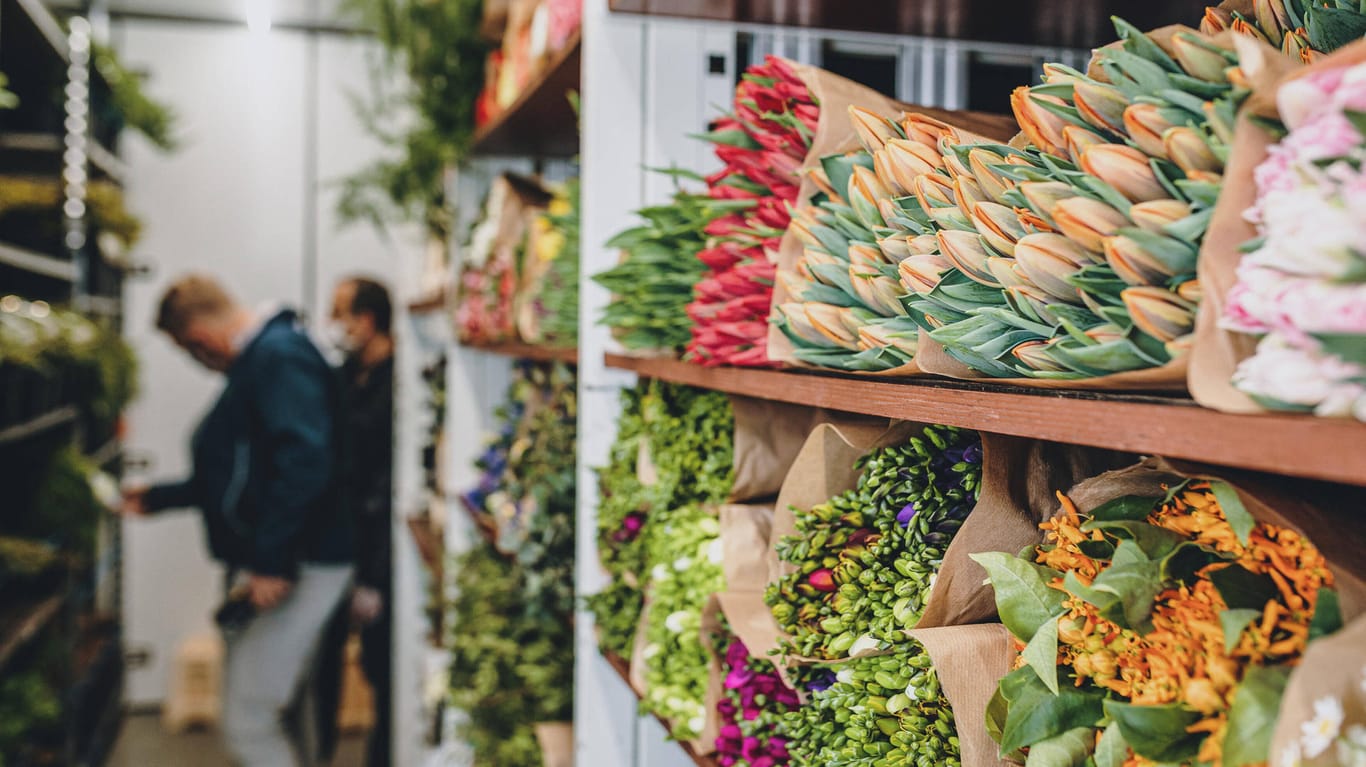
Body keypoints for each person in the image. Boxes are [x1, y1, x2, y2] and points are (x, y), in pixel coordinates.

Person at [123, 274, 353, 767]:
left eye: (189, 348)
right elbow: (246, 470)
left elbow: (304, 461)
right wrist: (163, 497)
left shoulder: (278, 356)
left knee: (252, 717)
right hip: (293, 557)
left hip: (304, 560)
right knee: (263, 708)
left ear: (200, 337)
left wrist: (271, 560)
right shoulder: (267, 356)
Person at [321, 276, 395, 767]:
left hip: (377, 553)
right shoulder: (347, 376)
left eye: (339, 312)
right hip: (339, 544)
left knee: (382, 668)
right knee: (336, 667)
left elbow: (386, 486)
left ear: (366, 321)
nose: (334, 324)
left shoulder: (396, 383)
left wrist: (373, 577)